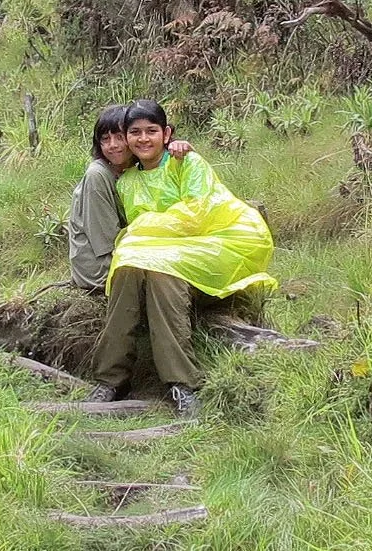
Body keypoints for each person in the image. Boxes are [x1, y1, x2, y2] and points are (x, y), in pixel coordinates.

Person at [88, 99, 277, 418]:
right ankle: (111, 379)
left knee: (160, 271)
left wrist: (143, 232)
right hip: (162, 255)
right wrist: (141, 238)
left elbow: (197, 215)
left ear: (167, 133)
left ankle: (182, 384)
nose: (144, 139)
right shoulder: (128, 181)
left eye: (152, 131)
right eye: (135, 132)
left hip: (212, 245)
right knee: (129, 266)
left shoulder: (186, 162)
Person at [67, 105, 190, 292]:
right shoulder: (98, 175)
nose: (113, 145)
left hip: (126, 252)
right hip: (101, 267)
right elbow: (108, 242)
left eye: (119, 137)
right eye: (105, 139)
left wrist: (179, 147)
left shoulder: (138, 169)